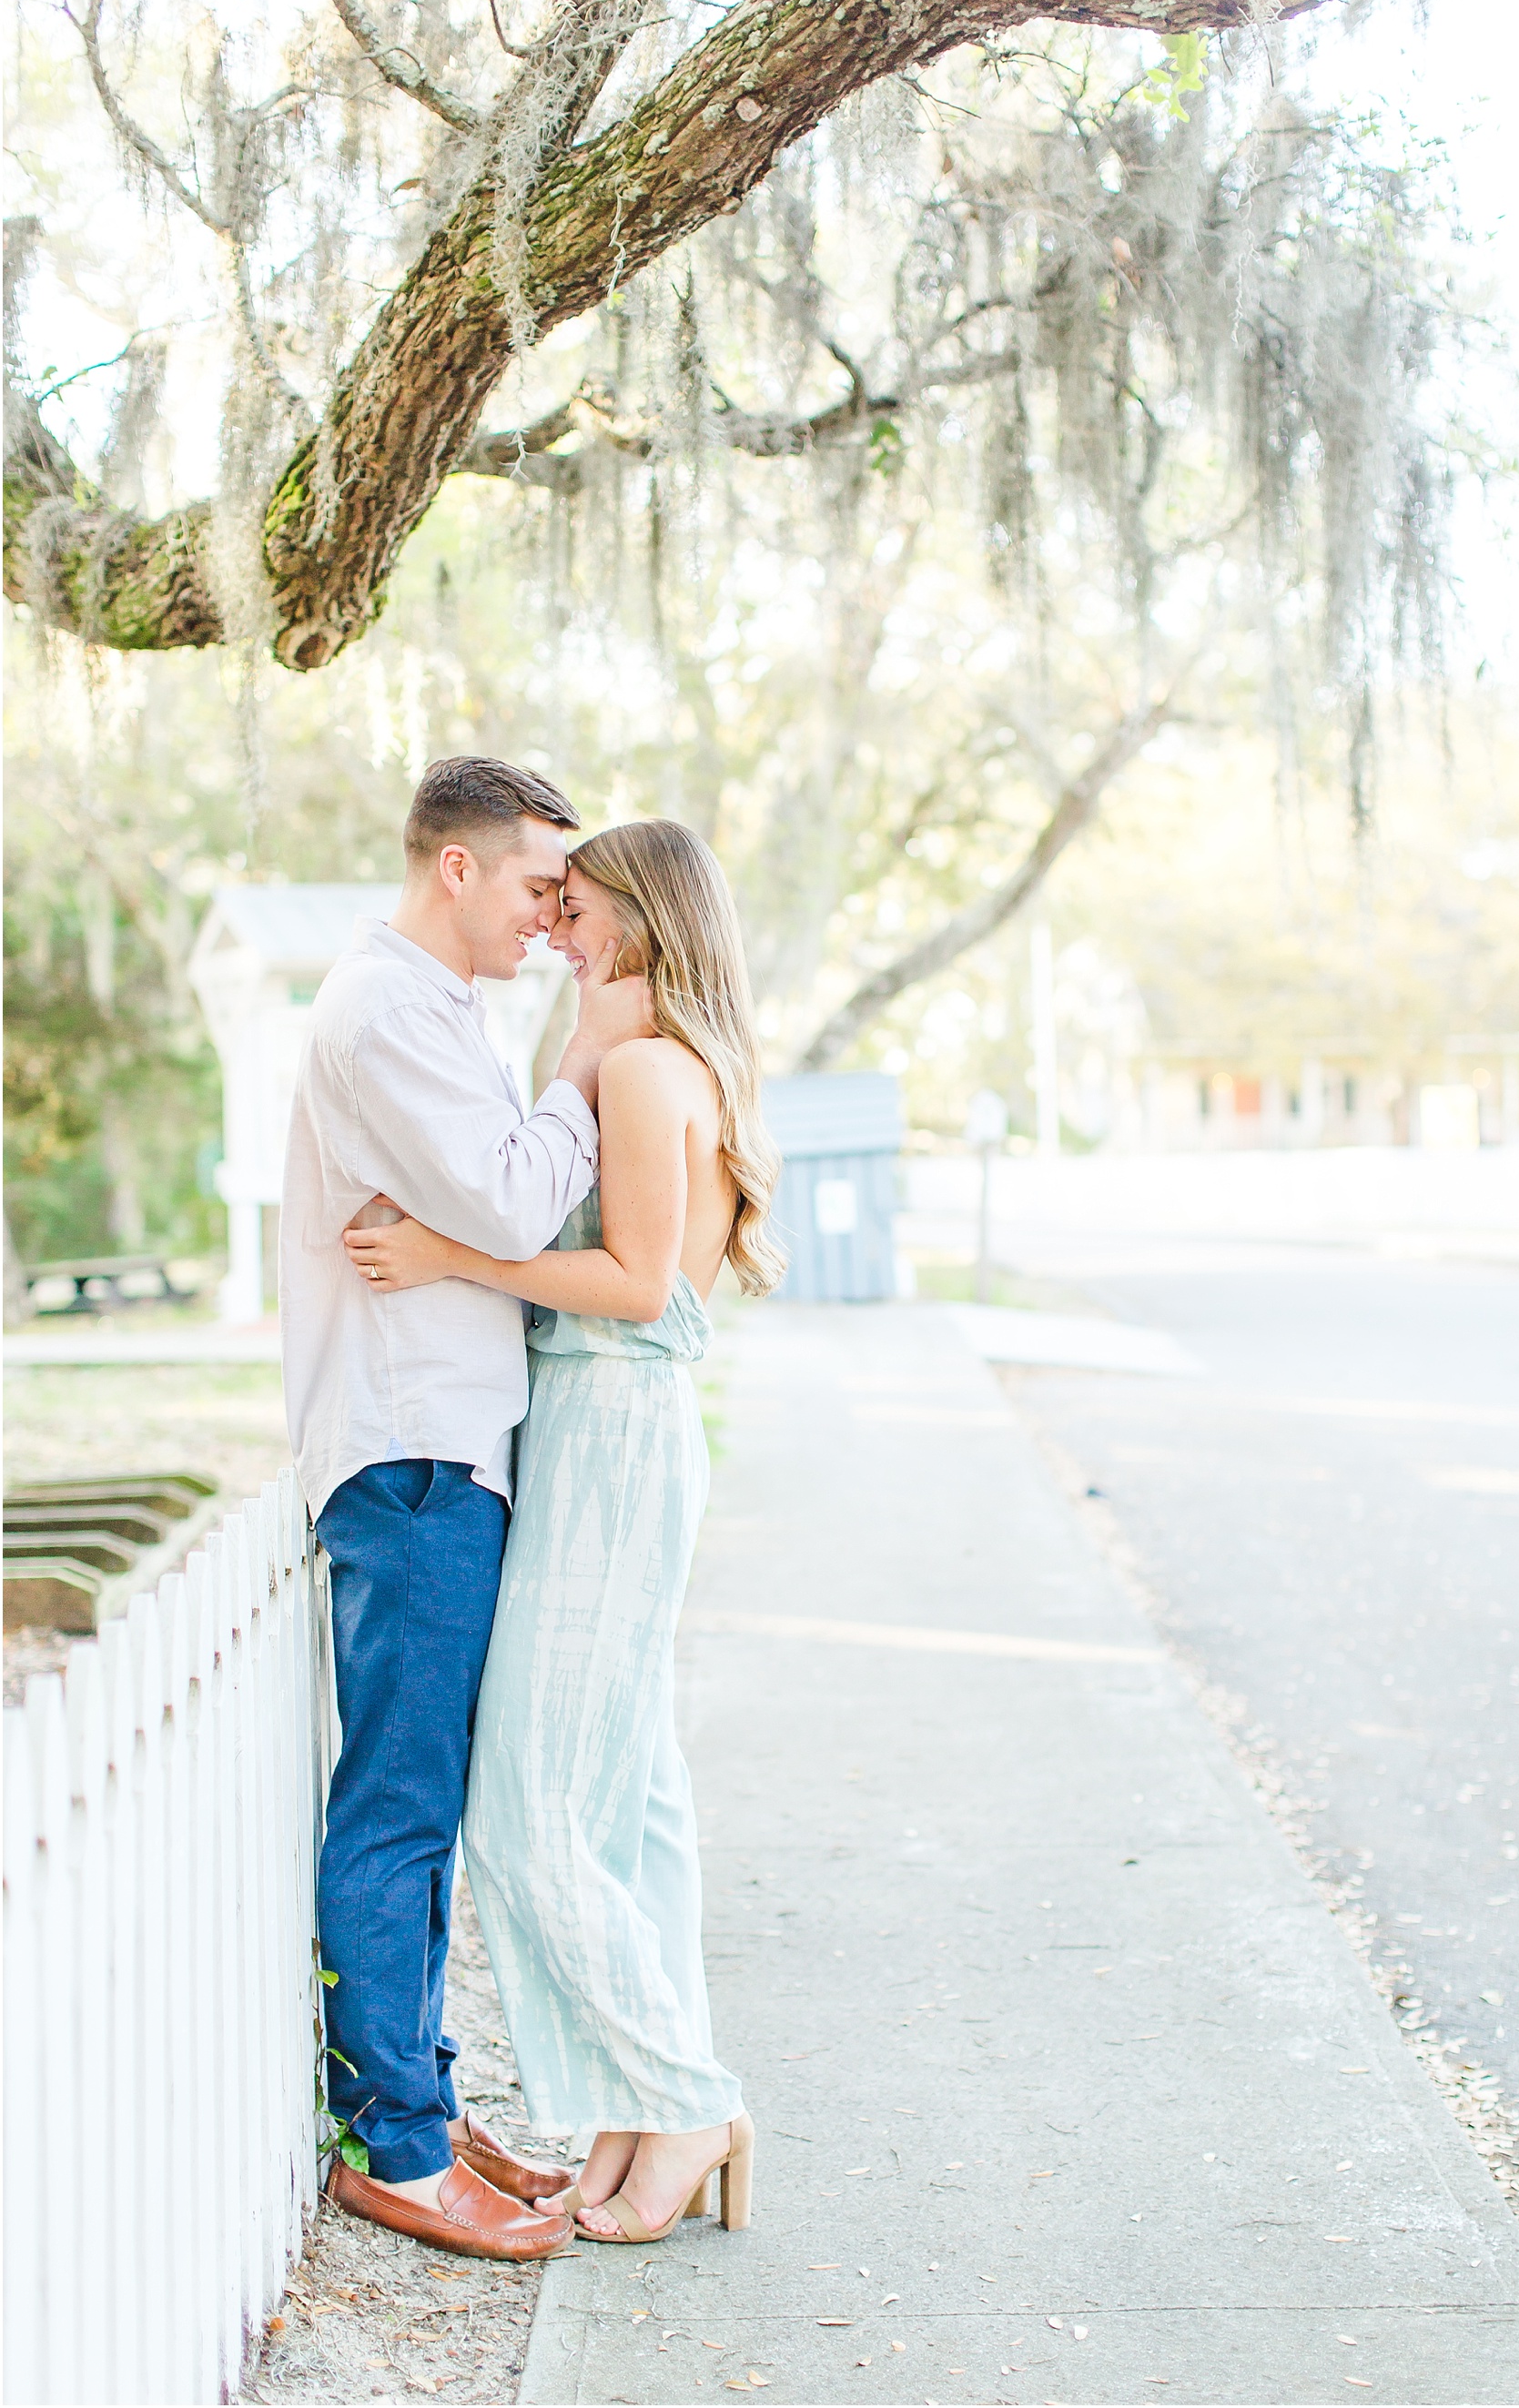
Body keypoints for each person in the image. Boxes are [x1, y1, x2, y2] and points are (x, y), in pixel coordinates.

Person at [343, 818, 785, 2245]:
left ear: (644, 921)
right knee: (628, 1799)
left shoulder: (651, 1068)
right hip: (591, 1434)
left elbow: (642, 1282)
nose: (557, 928)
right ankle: (636, 2105)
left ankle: (689, 2092)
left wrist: (448, 1254)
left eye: (578, 906)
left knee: (530, 1811)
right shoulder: (623, 1057)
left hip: (615, 1434)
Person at [280, 754, 653, 2262]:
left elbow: (487, 1214)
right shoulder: (383, 1009)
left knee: (424, 1808)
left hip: (446, 1442)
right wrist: (581, 1061)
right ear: (456, 868)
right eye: (534, 888)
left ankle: (421, 2100)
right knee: (399, 1803)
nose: (552, 922)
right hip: (408, 1449)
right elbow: (510, 1204)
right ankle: (395, 2145)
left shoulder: (437, 1012)